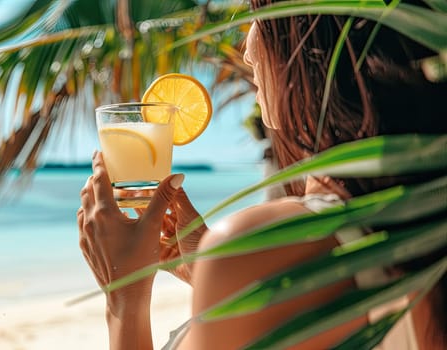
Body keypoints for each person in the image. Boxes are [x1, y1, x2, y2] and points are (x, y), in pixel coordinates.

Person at [77, 0, 447, 348]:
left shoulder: (263, 250)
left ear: (310, 36)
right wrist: (210, 278)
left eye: (257, 17)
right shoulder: (422, 220)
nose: (247, 47)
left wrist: (123, 298)